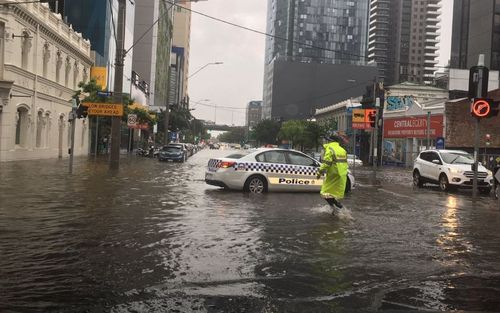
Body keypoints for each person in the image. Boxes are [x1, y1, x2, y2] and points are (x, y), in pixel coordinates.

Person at [316, 131, 349, 212]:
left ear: (330, 141)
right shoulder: (342, 150)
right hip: (342, 175)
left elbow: (326, 163)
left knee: (325, 192)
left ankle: (336, 206)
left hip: (333, 175)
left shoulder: (330, 149)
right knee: (332, 193)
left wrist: (319, 172)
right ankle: (334, 209)